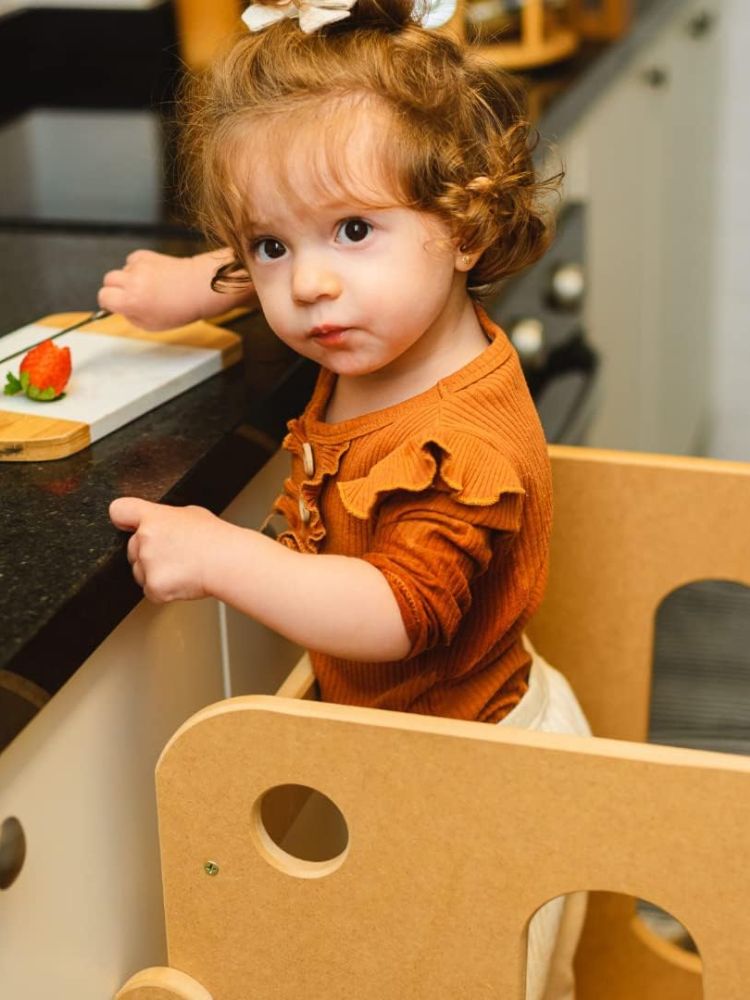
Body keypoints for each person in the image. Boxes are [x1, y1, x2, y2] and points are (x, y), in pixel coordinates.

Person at [106, 0, 590, 996]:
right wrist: (189, 287)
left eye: (353, 230)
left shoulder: (458, 442)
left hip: (482, 785)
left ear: (462, 228)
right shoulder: (378, 302)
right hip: (407, 751)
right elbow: (300, 230)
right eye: (271, 248)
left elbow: (398, 614)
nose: (308, 288)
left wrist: (226, 557)